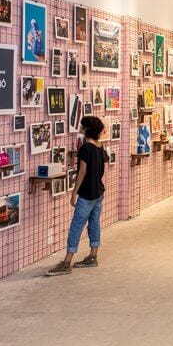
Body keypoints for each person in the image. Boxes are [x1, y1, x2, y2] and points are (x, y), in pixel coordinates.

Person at [47, 116, 107, 276]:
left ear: (87, 129)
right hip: (98, 191)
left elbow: (82, 172)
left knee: (76, 227)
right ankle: (93, 256)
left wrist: (74, 192)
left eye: (82, 126)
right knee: (94, 224)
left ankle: (67, 262)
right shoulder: (100, 146)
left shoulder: (85, 148)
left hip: (87, 193)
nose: (80, 128)